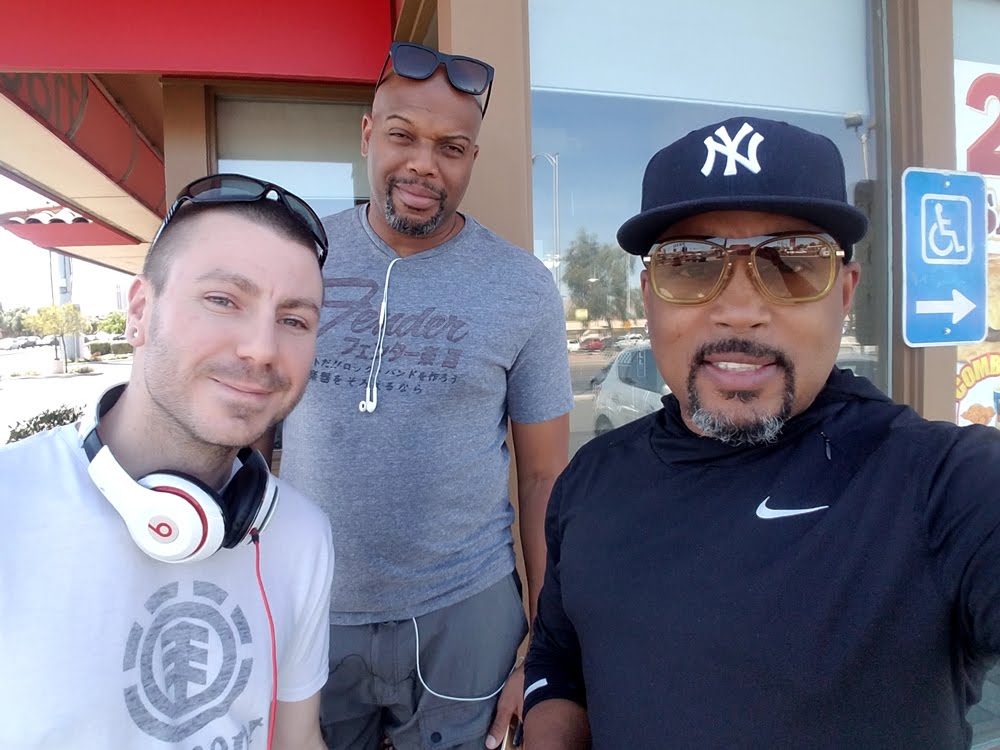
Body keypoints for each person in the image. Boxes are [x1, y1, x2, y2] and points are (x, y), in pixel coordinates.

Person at [523, 116, 1000, 749]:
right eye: (690, 265)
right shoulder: (590, 479)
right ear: (649, 295)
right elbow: (560, 655)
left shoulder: (939, 482)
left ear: (846, 293)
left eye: (792, 261)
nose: (741, 308)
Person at [277, 42, 573, 750]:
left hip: (465, 613)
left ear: (472, 158)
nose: (423, 164)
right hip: (310, 603)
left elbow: (542, 476)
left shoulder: (523, 287)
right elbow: (251, 437)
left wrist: (545, 639)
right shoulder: (300, 256)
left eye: (452, 147)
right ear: (367, 134)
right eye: (403, 135)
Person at [0, 175, 335, 750]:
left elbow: (298, 740)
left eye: (294, 320)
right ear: (139, 310)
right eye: (224, 300)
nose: (261, 347)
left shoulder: (300, 535)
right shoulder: (12, 504)